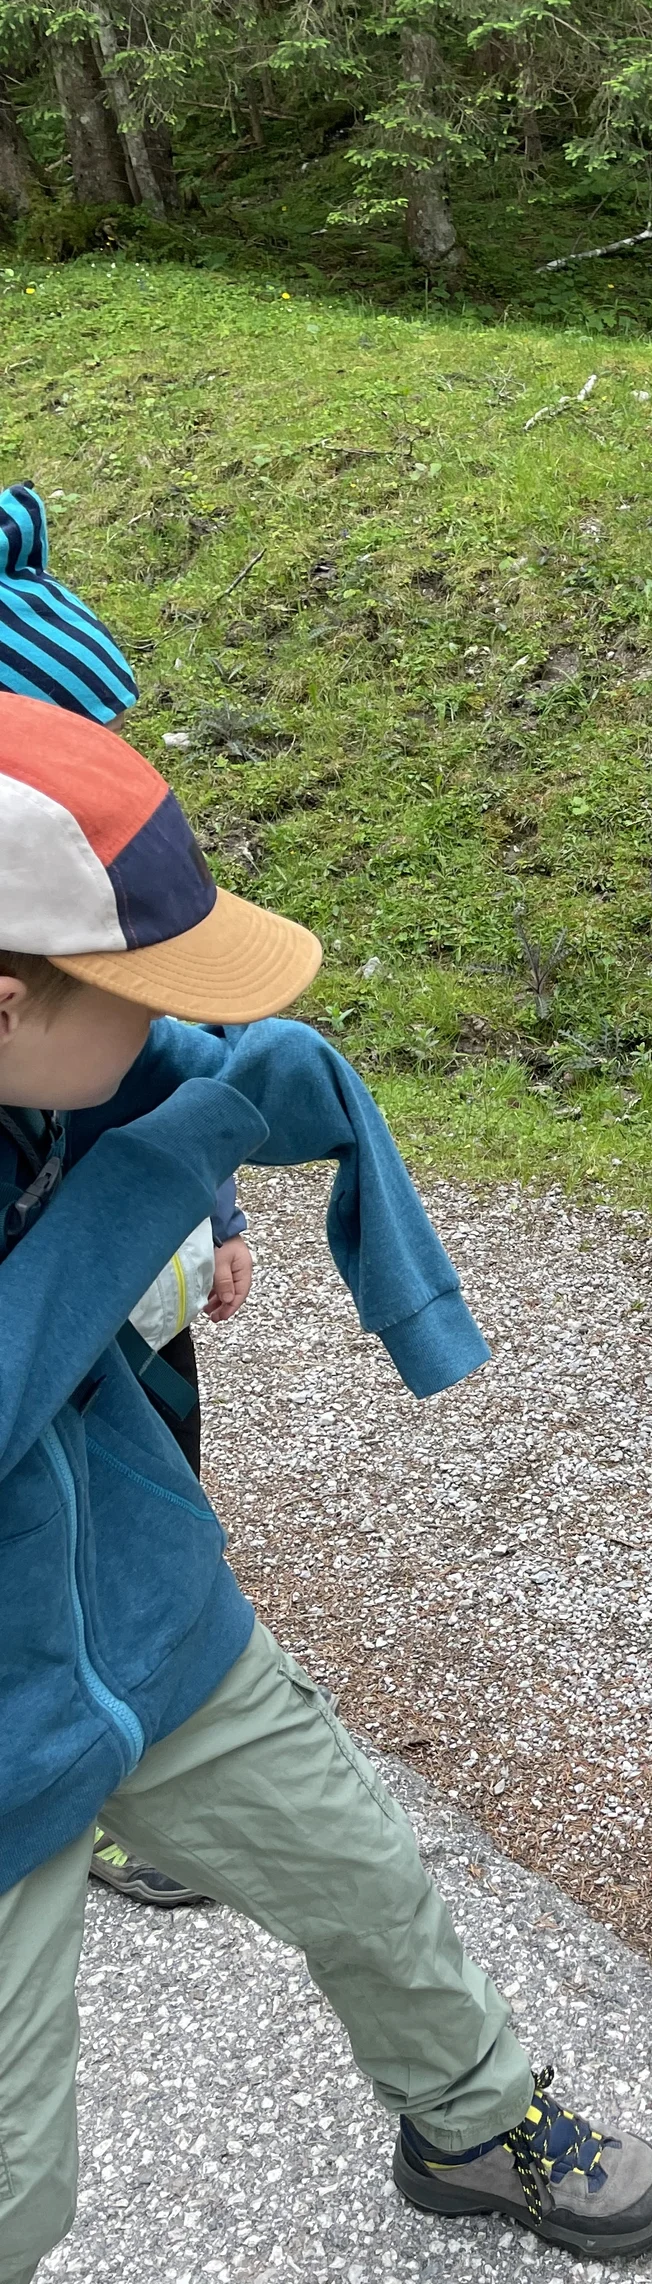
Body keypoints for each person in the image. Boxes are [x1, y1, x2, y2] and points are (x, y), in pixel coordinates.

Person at [0, 701, 652, 2284]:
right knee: (15, 2183)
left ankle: (471, 2123)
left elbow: (138, 1087)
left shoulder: (38, 1057)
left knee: (365, 1875)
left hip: (147, 1623)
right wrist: (165, 1167)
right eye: (147, 992)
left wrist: (227, 1106)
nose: (171, 1017)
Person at [0, 477, 249, 1909]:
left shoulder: (77, 902)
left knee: (152, 1457)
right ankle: (85, 1786)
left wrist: (215, 1201)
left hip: (127, 1290)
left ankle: (147, 1711)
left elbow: (159, 1041)